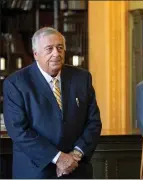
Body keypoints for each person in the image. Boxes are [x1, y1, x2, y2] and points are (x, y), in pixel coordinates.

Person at [3, 27, 102, 178]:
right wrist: (58, 158)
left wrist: (75, 154)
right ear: (36, 54)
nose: (56, 53)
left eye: (60, 48)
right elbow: (19, 130)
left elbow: (93, 122)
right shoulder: (16, 83)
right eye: (49, 49)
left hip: (77, 168)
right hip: (37, 170)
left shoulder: (82, 78)